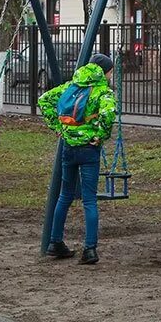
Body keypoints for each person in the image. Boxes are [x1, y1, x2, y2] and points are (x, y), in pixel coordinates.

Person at [40, 54, 117, 265]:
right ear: (105, 72)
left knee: (65, 195)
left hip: (68, 147)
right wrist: (100, 135)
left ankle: (55, 242)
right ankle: (89, 249)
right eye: (111, 71)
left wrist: (58, 128)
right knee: (89, 199)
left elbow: (44, 99)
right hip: (89, 149)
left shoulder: (71, 85)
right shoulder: (102, 91)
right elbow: (109, 115)